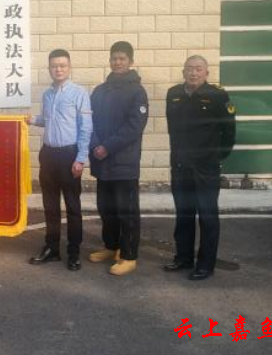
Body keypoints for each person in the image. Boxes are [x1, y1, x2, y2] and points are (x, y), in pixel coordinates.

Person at [164, 55, 236, 281]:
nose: (193, 73)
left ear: (206, 73)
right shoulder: (174, 94)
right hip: (180, 166)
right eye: (189, 69)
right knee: (183, 214)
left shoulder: (218, 95)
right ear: (183, 72)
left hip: (206, 168)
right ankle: (184, 258)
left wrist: (214, 157)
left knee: (207, 216)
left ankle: (205, 265)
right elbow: (172, 129)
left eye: (198, 69)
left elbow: (229, 132)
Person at [28, 49, 92, 271]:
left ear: (69, 67)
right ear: (49, 68)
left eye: (62, 65)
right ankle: (52, 248)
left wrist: (80, 159)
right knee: (50, 206)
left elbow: (85, 128)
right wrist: (32, 120)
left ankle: (74, 252)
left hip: (69, 156)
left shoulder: (79, 94)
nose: (58, 69)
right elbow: (48, 120)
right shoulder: (47, 95)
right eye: (54, 66)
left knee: (72, 207)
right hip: (48, 155)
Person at [89, 41, 148, 276]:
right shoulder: (100, 91)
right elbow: (89, 121)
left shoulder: (137, 92)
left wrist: (107, 146)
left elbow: (134, 126)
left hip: (124, 163)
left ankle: (129, 255)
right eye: (114, 58)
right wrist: (96, 145)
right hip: (102, 162)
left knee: (127, 211)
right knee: (107, 208)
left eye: (122, 58)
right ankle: (111, 246)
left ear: (131, 61)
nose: (118, 62)